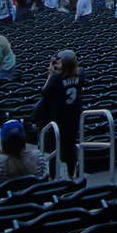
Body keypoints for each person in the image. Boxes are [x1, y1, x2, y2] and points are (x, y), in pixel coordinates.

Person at [34, 50, 84, 178]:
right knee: (70, 146)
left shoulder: (55, 78)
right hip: (74, 116)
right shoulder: (82, 74)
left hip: (57, 118)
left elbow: (44, 92)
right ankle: (71, 174)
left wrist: (50, 75)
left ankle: (53, 176)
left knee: (54, 147)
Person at [0, 120, 48, 191]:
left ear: (3, 141)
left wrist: (0, 158)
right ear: (23, 138)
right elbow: (44, 181)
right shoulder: (38, 156)